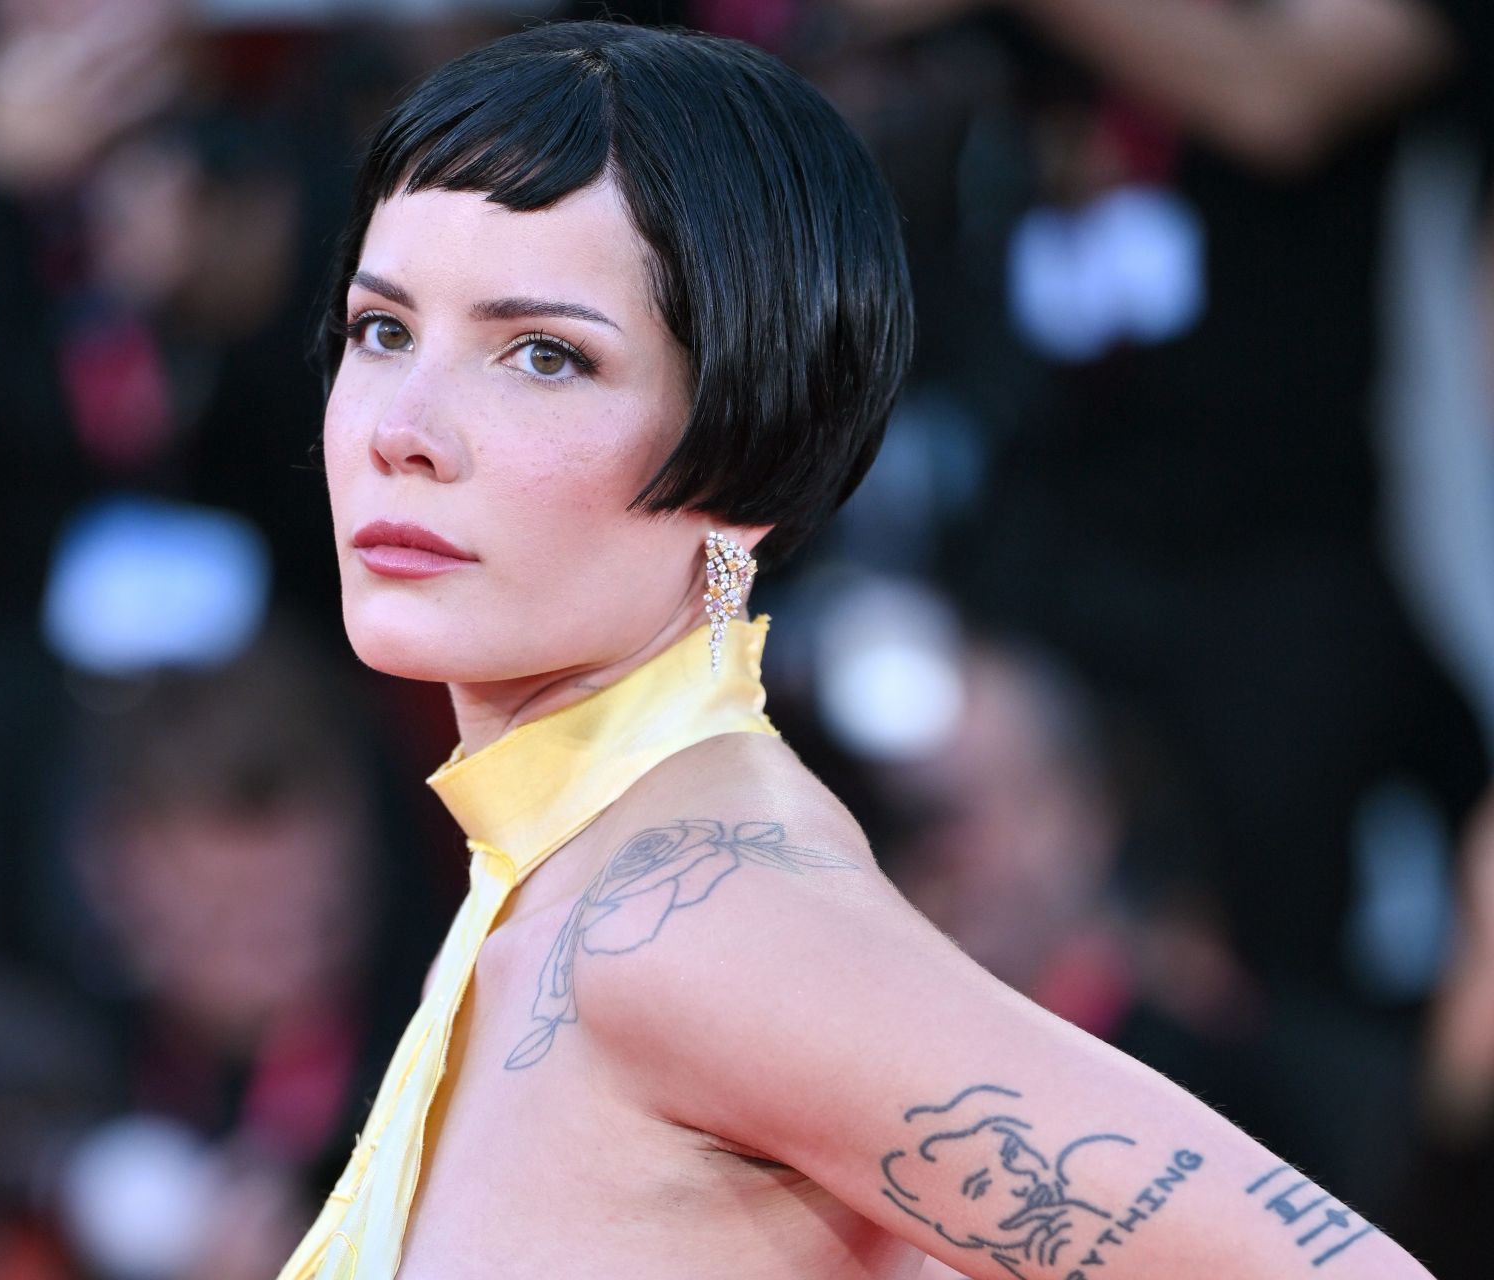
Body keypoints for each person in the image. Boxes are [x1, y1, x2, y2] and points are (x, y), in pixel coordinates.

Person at [278, 20, 1436, 1279]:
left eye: (545, 354)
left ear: (751, 447)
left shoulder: (698, 920)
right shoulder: (569, 881)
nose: (404, 426)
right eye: (383, 329)